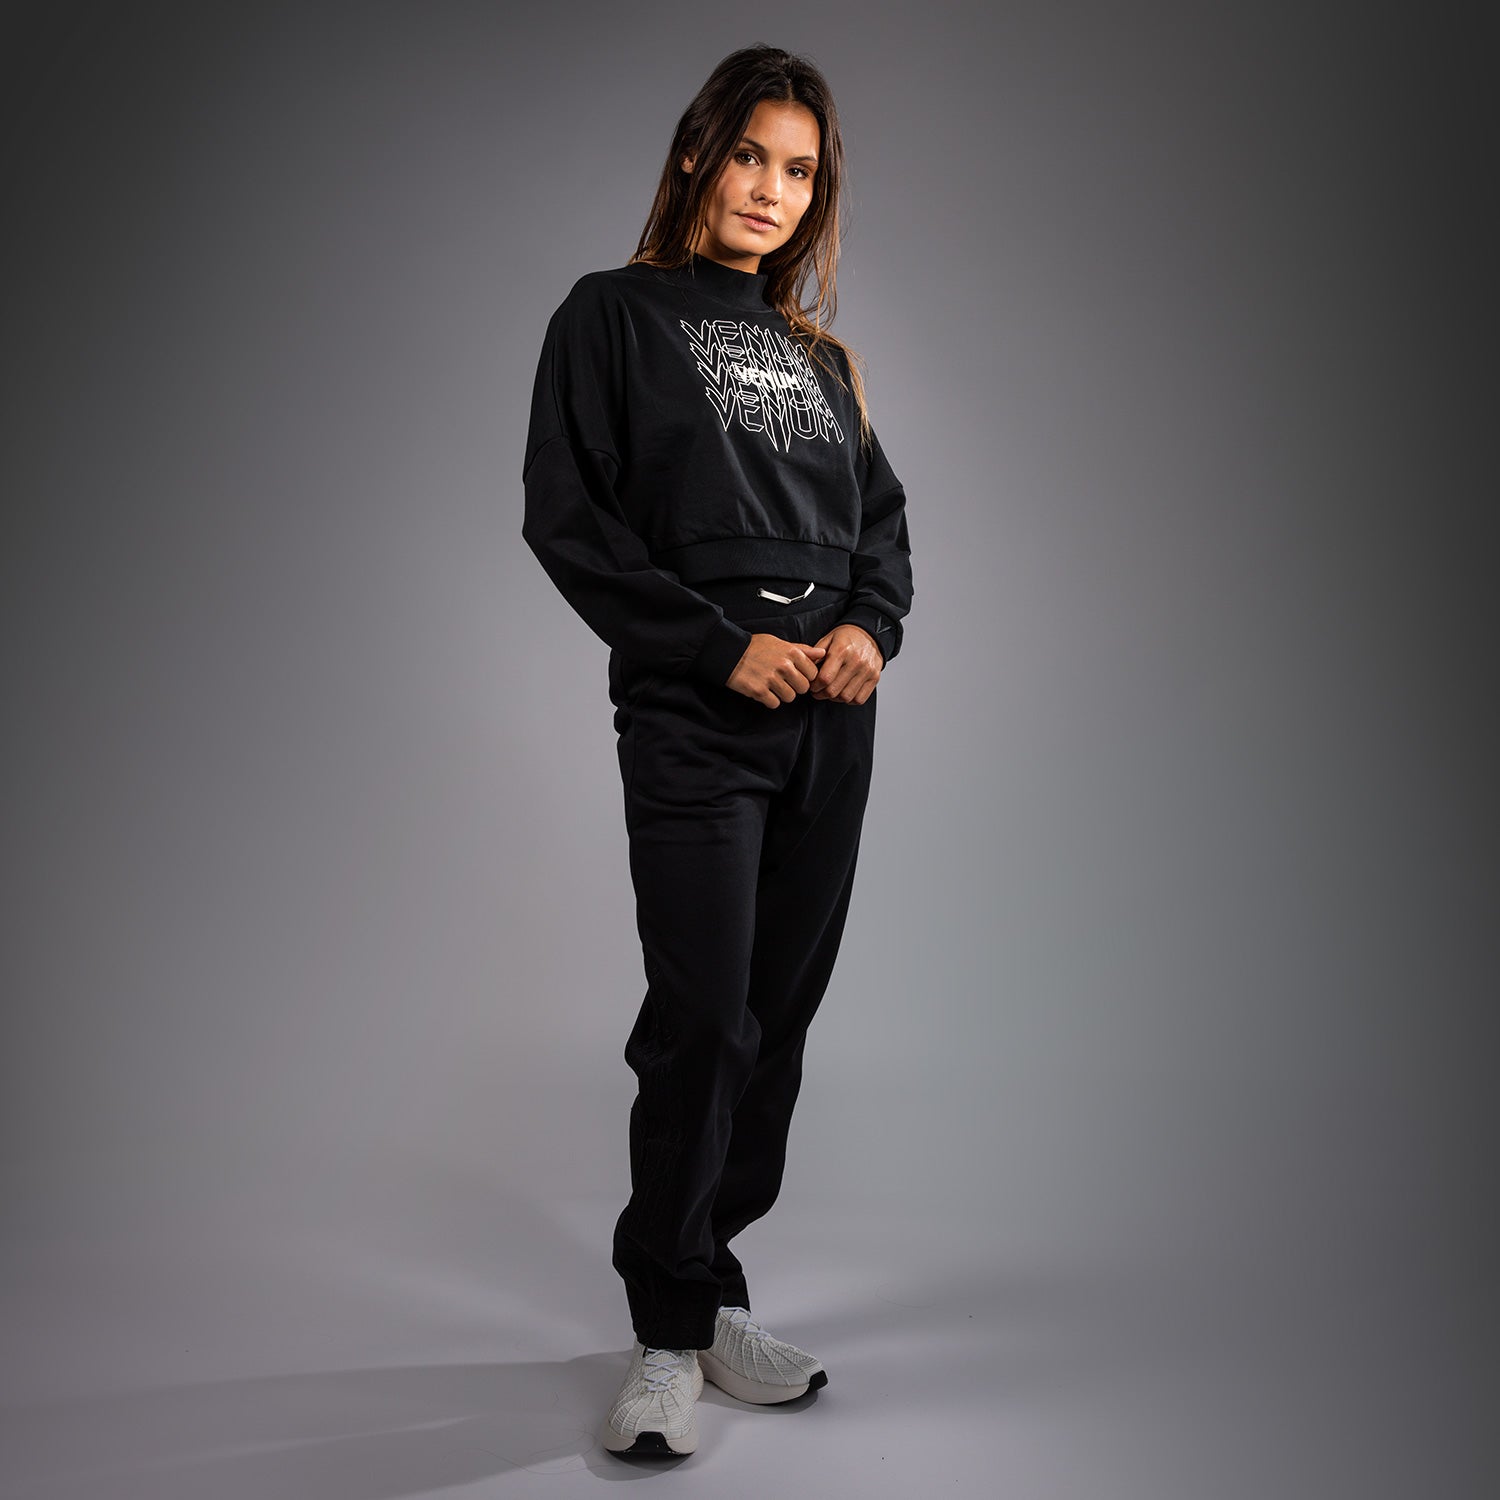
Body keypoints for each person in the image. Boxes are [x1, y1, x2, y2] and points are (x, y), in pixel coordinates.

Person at [521, 43, 914, 1458]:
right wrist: (710, 647)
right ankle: (667, 1325)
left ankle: (712, 1287)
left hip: (830, 728)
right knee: (701, 1019)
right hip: (699, 719)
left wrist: (870, 628)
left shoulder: (822, 359)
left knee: (773, 1026)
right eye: (751, 154)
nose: (770, 190)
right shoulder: (611, 317)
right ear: (697, 151)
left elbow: (882, 528)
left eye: (798, 172)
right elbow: (568, 521)